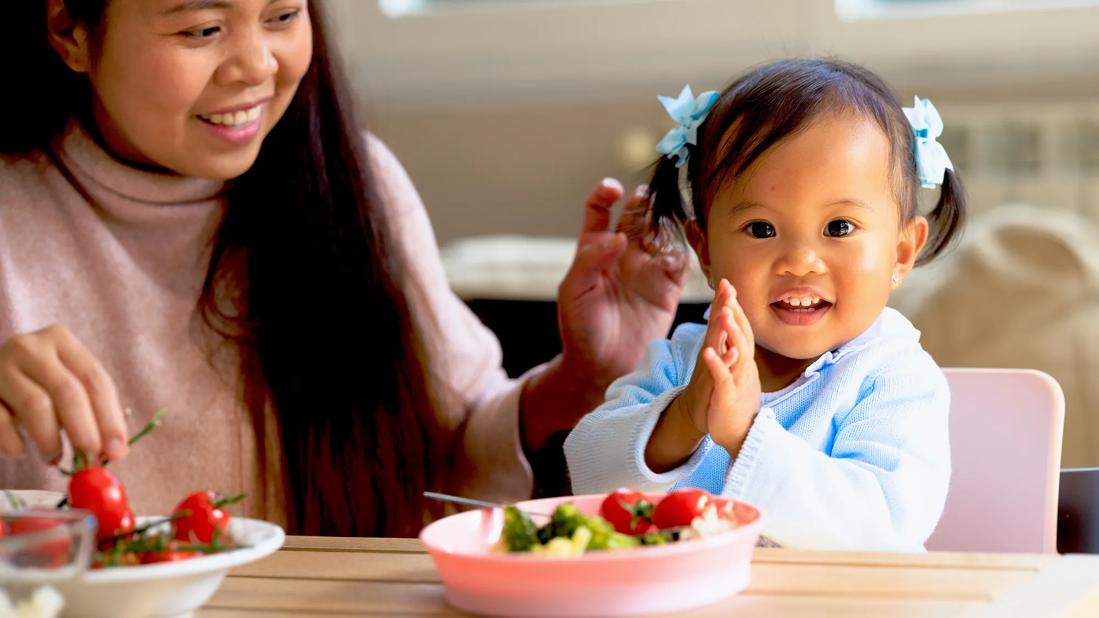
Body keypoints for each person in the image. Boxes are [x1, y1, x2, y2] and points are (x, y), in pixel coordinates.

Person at [0, 0, 687, 536]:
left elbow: (451, 451)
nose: (256, 65)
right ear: (69, 30)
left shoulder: (355, 182)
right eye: (202, 29)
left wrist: (585, 376)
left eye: (282, 16)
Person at [564, 58, 967, 550]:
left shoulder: (893, 377)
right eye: (761, 229)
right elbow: (588, 473)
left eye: (839, 227)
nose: (800, 261)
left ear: (901, 253)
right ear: (705, 251)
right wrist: (685, 416)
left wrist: (745, 433)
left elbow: (884, 525)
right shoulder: (686, 363)